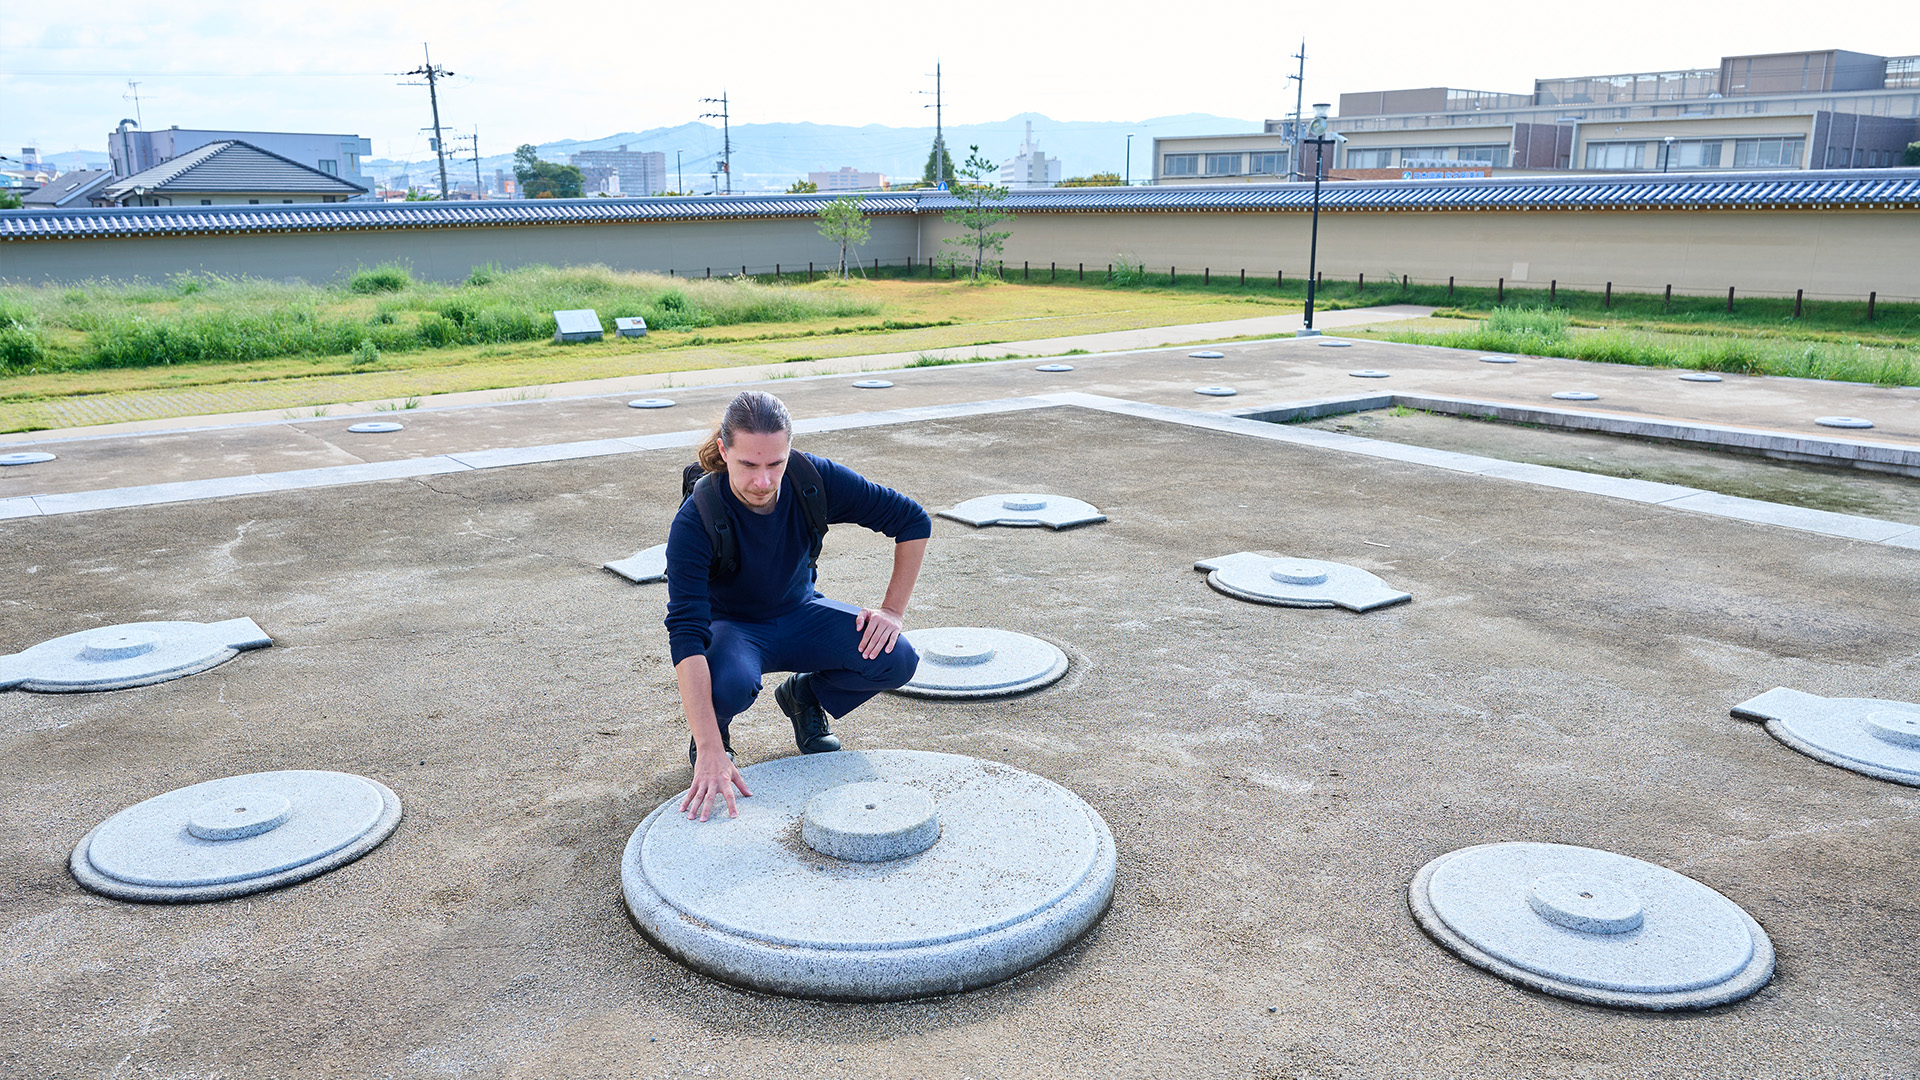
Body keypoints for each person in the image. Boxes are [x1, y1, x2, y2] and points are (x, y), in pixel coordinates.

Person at [665, 390, 930, 822]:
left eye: (776, 463)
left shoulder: (812, 479)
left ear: (789, 450)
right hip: (734, 630)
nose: (763, 481)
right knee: (728, 684)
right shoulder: (697, 518)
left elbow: (912, 519)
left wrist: (892, 611)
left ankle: (805, 696)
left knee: (896, 658)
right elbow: (686, 634)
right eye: (748, 465)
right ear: (724, 452)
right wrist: (709, 747)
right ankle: (713, 736)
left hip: (801, 614)